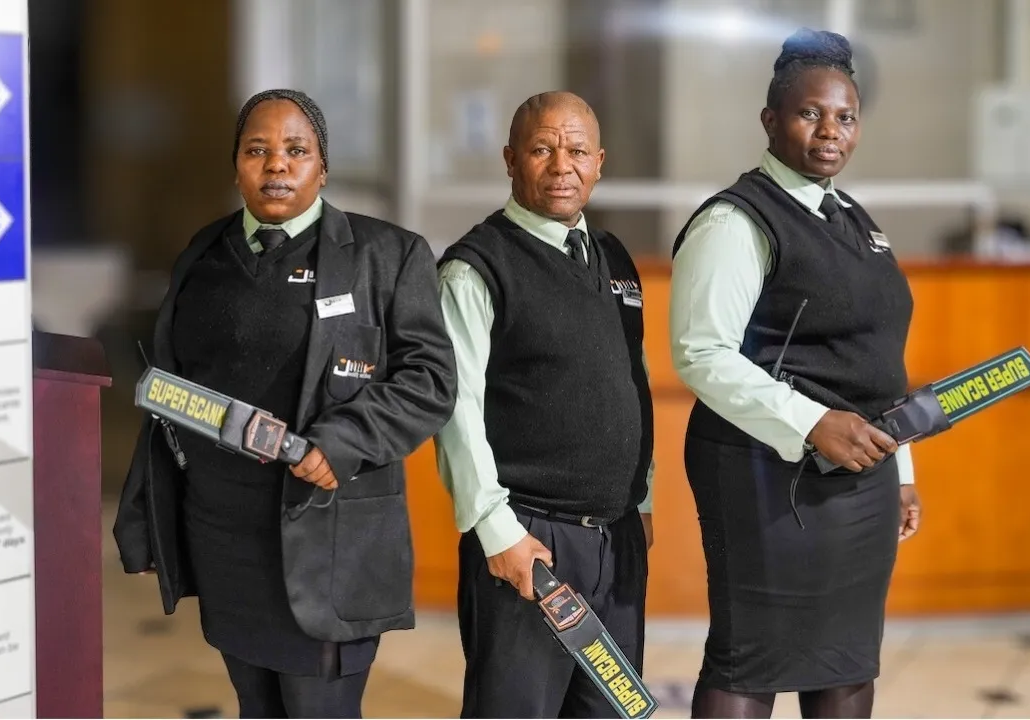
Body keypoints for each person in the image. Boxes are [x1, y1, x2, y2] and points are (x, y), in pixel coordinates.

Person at [113, 89, 457, 718]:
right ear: (237, 164)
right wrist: (146, 517)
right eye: (258, 151)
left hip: (329, 540)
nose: (277, 165)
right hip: (225, 542)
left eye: (296, 151)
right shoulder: (204, 254)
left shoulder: (388, 256)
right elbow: (169, 392)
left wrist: (346, 440)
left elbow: (431, 378)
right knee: (256, 707)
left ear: (322, 168)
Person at [669, 29, 922, 719]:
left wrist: (900, 475)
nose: (829, 132)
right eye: (810, 113)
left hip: (861, 474)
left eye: (844, 116)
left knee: (846, 657)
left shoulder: (854, 220)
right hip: (767, 474)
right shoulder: (737, 219)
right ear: (771, 120)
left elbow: (877, 356)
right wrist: (813, 424)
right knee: (752, 657)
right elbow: (701, 352)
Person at [434, 91, 655, 718]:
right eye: (542, 149)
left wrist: (641, 499)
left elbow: (632, 382)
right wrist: (497, 533)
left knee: (608, 711)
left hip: (616, 542)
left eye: (578, 150)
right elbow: (456, 410)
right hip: (528, 545)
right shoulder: (477, 268)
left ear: (601, 162)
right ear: (510, 159)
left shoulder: (613, 258)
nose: (563, 165)